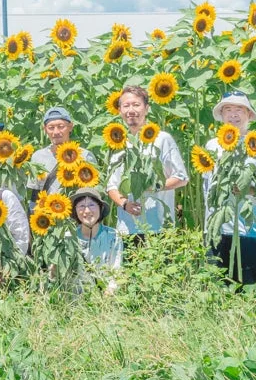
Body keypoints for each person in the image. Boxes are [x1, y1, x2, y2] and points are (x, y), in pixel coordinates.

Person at [203, 92, 256, 285]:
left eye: (239, 110)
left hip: (249, 230)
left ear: (249, 115)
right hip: (216, 229)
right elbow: (207, 187)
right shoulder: (212, 146)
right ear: (222, 115)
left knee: (247, 287)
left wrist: (250, 190)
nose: (233, 115)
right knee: (217, 288)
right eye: (228, 109)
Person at [105, 86, 188, 242]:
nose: (131, 110)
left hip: (159, 227)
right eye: (126, 105)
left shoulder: (162, 139)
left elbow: (182, 177)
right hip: (127, 229)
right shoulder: (118, 142)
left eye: (136, 105)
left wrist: (155, 186)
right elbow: (111, 185)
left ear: (147, 108)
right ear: (120, 110)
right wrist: (124, 204)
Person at [29, 107, 97, 199]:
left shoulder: (85, 156)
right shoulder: (38, 157)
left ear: (70, 127)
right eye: (51, 128)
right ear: (45, 129)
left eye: (61, 127)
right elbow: (35, 193)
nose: (56, 132)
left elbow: (94, 192)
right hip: (47, 211)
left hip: (77, 211)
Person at [72, 187, 121, 292]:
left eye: (91, 205)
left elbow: (117, 270)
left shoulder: (113, 236)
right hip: (76, 301)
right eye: (81, 206)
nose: (87, 210)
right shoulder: (69, 238)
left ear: (101, 208)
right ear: (75, 211)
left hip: (108, 298)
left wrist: (109, 294)